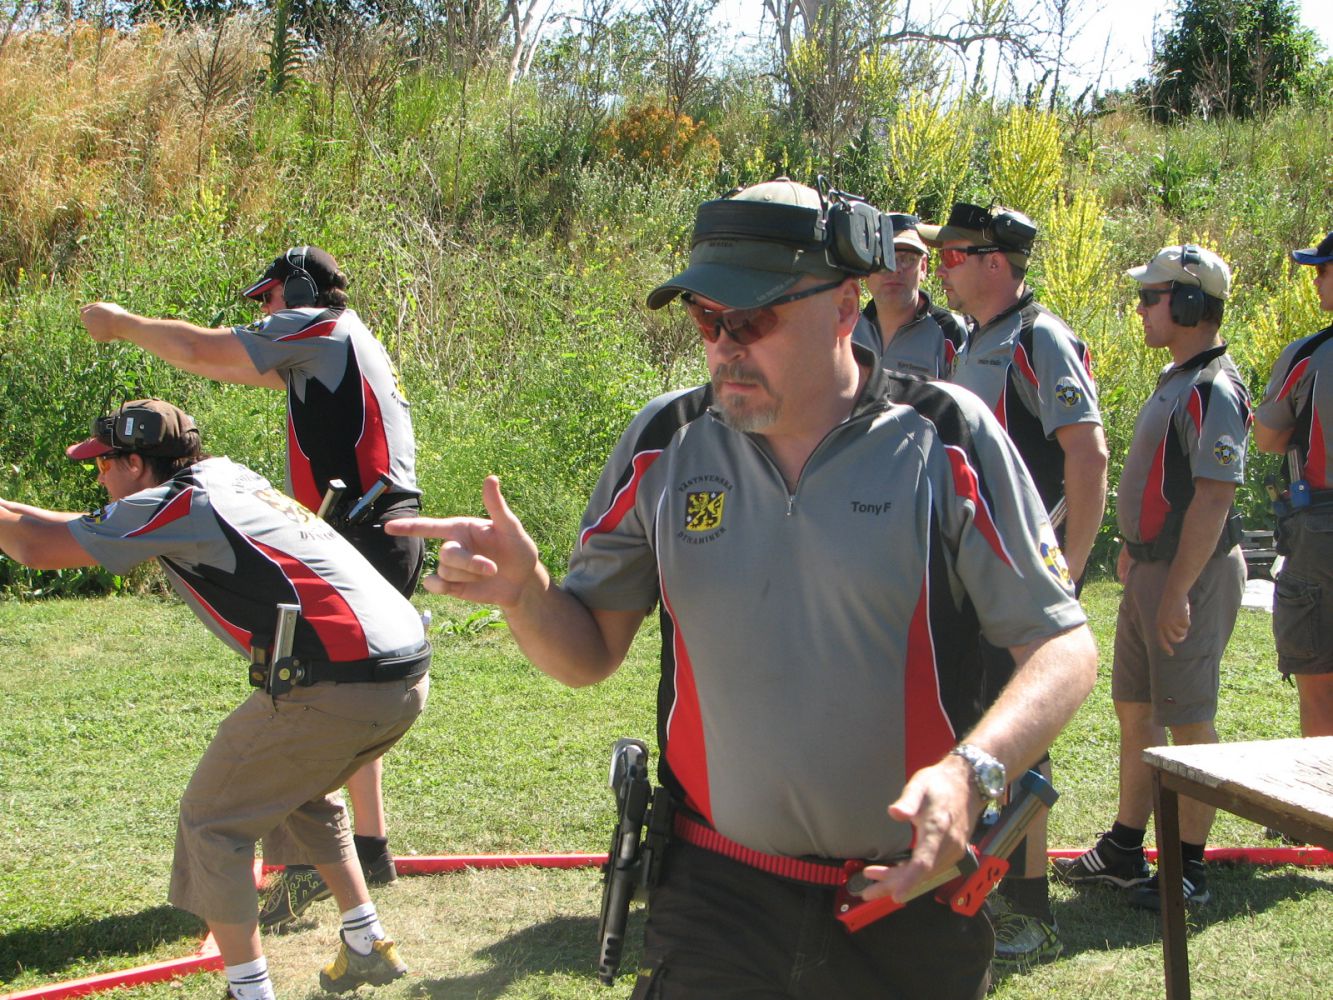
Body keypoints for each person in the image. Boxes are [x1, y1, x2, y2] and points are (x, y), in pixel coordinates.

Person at [387, 178, 1098, 1000]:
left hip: (905, 897)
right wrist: (527, 595)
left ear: (843, 307)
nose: (724, 346)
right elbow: (587, 654)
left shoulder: (947, 436)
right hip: (714, 897)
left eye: (752, 319)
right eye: (705, 319)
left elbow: (1062, 646)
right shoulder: (665, 441)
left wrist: (971, 773)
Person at [0, 399, 430, 1000]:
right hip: (403, 676)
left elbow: (36, 548)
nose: (98, 477)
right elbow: (78, 524)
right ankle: (366, 942)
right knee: (299, 789)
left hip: (338, 687)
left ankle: (249, 991)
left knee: (211, 823)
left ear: (135, 463)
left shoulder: (179, 506)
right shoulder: (222, 478)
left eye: (103, 464)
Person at [79, 246, 422, 928]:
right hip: (374, 526)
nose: (264, 311)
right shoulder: (340, 341)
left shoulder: (319, 327)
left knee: (314, 694)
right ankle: (366, 848)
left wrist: (124, 325)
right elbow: (234, 362)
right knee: (321, 692)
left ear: (301, 291)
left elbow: (204, 352)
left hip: (365, 528)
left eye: (269, 297)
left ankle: (317, 865)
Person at [925, 201, 1109, 966]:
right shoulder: (975, 338)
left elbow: (1088, 457)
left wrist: (1065, 572)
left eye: (951, 256)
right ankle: (980, 888)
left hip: (1017, 585)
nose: (940, 270)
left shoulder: (1039, 337)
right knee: (978, 730)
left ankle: (1029, 909)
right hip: (972, 581)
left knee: (1021, 743)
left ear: (994, 262)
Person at [1054, 245, 1250, 911]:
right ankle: (1124, 845)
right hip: (1154, 569)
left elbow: (1214, 496)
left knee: (1188, 719)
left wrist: (1176, 590)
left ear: (1189, 304)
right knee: (1136, 709)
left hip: (1188, 575)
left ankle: (1187, 869)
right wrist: (1137, 550)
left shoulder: (1212, 388)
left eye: (1150, 297)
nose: (1139, 309)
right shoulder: (1178, 378)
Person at [1254, 230, 1333, 739]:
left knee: (1319, 685)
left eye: (1323, 270)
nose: (1317, 281)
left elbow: (1267, 437)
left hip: (1320, 531)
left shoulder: (1309, 355)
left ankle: (1320, 789)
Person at [851, 212, 967, 378]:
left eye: (907, 259)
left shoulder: (951, 331)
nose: (895, 269)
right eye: (884, 259)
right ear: (866, 268)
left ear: (923, 267)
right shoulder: (847, 329)